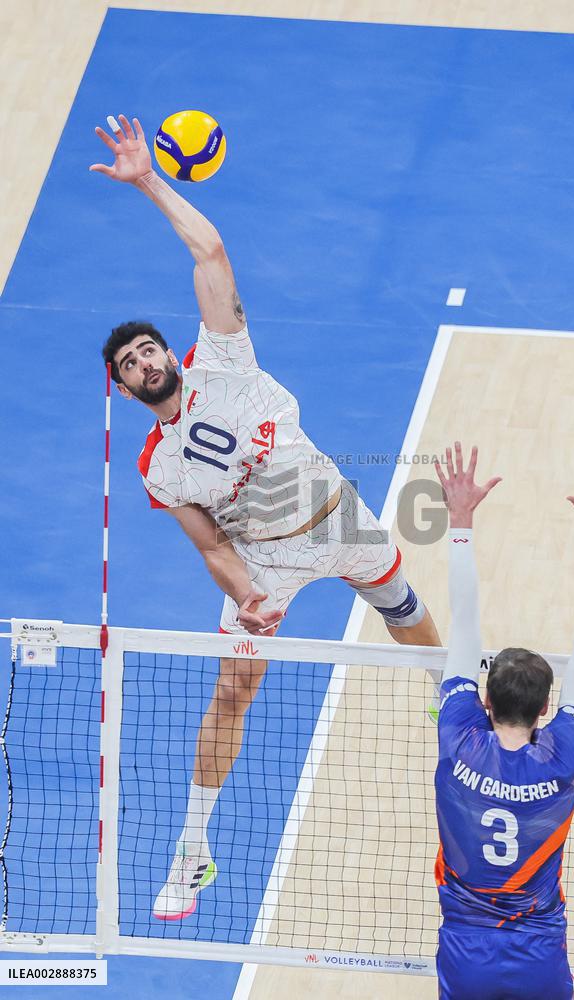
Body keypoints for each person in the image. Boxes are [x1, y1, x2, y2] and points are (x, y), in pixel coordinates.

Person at [91, 113, 443, 921]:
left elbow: (209, 254)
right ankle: (194, 848)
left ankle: (445, 687)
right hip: (266, 562)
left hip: (336, 518)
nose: (143, 361)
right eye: (127, 364)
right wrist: (246, 591)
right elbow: (209, 542)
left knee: (406, 609)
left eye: (147, 348)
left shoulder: (219, 357)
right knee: (233, 692)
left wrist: (148, 180)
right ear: (122, 387)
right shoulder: (158, 465)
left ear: (166, 352)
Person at [432, 441, 574, 1000]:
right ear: (547, 711)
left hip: (466, 950)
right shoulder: (564, 755)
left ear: (483, 702)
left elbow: (463, 625)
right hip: (539, 951)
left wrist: (460, 521)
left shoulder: (458, 743)